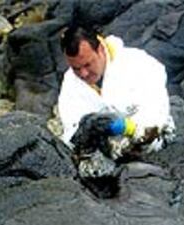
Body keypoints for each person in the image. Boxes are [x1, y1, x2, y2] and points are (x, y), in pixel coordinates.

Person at [58, 25, 175, 156]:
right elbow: (70, 131)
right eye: (76, 68)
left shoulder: (140, 63)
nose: (84, 74)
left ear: (101, 49)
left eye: (87, 64)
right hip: (104, 155)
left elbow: (156, 114)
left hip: (152, 147)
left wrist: (127, 128)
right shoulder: (70, 83)